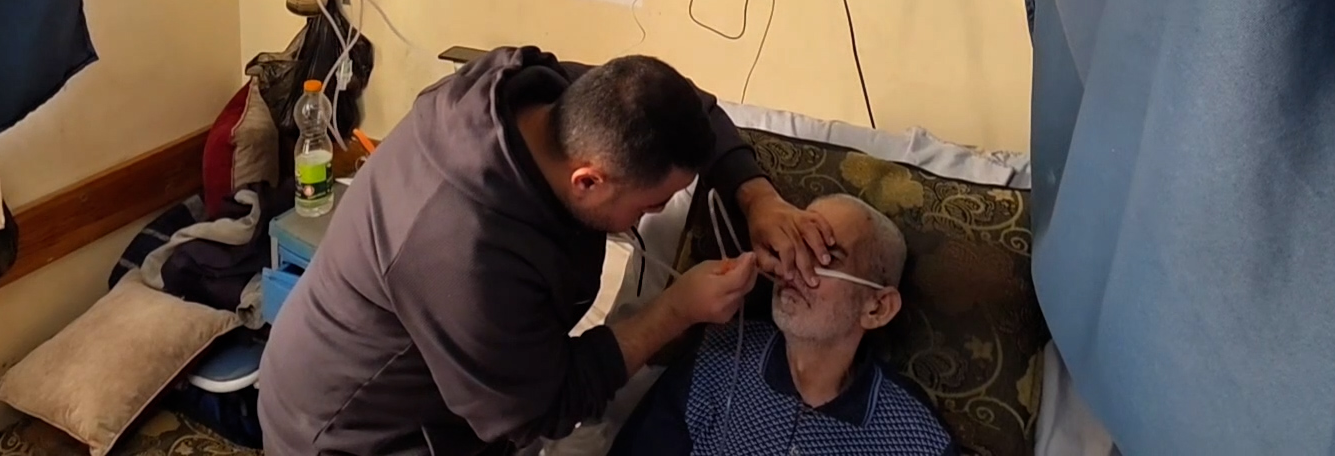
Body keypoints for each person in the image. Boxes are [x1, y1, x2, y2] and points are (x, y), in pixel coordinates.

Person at [258, 47, 835, 456]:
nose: (652, 218)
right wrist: (675, 311)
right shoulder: (464, 252)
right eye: (650, 205)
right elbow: (541, 410)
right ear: (589, 181)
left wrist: (758, 198)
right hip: (351, 430)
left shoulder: (546, 96)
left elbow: (694, 110)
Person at [608, 194, 958, 456]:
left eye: (824, 257)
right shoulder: (716, 358)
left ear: (878, 308)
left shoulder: (916, 439)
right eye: (794, 247)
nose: (793, 268)